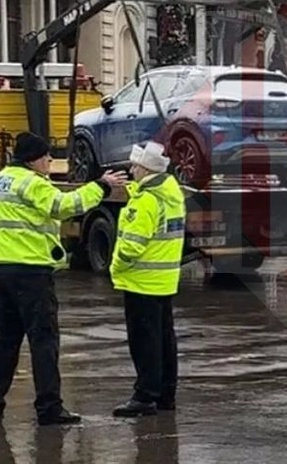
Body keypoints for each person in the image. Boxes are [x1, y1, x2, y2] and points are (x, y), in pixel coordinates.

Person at [0, 131, 127, 426]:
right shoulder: (31, 183)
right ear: (34, 160)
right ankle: (49, 407)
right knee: (43, 341)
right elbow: (63, 207)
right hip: (31, 272)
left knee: (3, 341)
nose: (50, 161)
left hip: (1, 268)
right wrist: (101, 186)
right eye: (46, 156)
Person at [111, 142, 186, 418]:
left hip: (141, 280)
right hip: (163, 280)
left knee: (144, 343)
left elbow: (132, 245)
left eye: (134, 166)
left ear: (145, 169)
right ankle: (166, 394)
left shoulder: (146, 202)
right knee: (164, 339)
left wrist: (116, 265)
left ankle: (144, 396)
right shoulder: (170, 193)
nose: (131, 171)